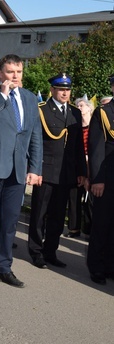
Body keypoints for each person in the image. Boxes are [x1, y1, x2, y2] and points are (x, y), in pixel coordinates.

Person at [0, 54, 43, 290]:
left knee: (10, 221)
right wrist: (2, 95)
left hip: (18, 169)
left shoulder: (30, 98)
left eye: (19, 72)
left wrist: (35, 167)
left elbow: (35, 136)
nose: (15, 76)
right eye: (11, 72)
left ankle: (3, 267)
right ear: (0, 74)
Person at [28, 73, 87, 270]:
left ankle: (50, 251)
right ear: (52, 90)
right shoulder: (42, 110)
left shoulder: (75, 113)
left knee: (58, 216)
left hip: (66, 173)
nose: (65, 92)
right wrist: (34, 169)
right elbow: (34, 142)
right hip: (46, 170)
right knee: (39, 214)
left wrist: (81, 171)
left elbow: (78, 145)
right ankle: (36, 251)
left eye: (67, 89)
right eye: (61, 89)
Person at [87, 74, 114, 284]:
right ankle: (97, 266)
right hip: (107, 178)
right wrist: (97, 179)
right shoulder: (103, 113)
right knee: (102, 223)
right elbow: (96, 149)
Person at [64, 97, 94, 238]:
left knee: (90, 200)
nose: (79, 108)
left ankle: (89, 229)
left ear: (89, 108)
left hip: (93, 165)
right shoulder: (74, 126)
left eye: (82, 105)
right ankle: (74, 228)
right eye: (77, 106)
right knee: (74, 197)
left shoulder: (95, 126)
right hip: (77, 167)